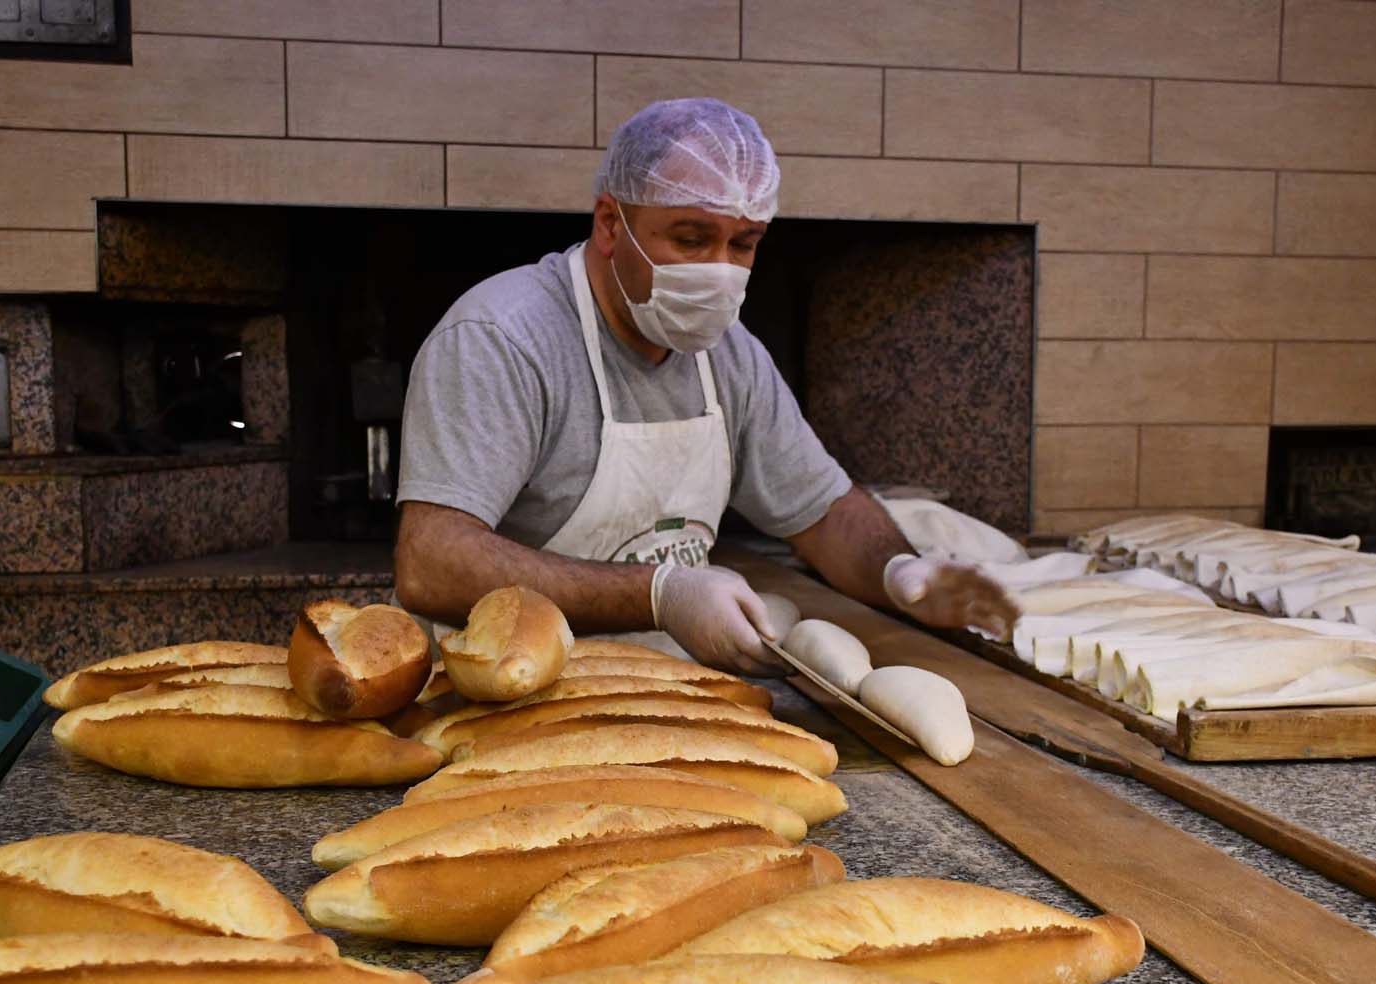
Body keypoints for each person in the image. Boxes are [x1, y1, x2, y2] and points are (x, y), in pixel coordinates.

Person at [393, 97, 1016, 674]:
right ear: (611, 224)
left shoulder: (731, 356)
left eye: (742, 245)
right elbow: (430, 562)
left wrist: (898, 570)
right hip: (498, 693)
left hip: (666, 691)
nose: (719, 270)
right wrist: (660, 593)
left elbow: (824, 513)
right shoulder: (503, 338)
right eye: (691, 239)